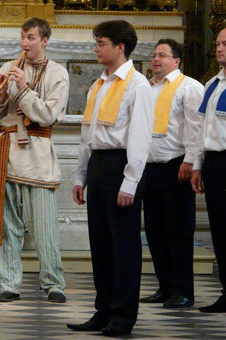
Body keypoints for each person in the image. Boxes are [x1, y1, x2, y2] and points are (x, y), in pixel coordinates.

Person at [68, 20, 153, 337]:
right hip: (99, 165)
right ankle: (103, 310)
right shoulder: (98, 85)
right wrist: (81, 176)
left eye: (101, 42)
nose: (95, 48)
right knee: (101, 245)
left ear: (120, 47)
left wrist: (130, 182)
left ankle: (123, 314)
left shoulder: (137, 85)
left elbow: (141, 138)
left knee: (124, 246)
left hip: (121, 165)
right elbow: (87, 136)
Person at [0, 17, 69, 304]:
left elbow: (47, 115)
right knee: (6, 225)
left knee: (45, 227)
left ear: (45, 41)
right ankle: (9, 283)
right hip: (6, 154)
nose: (25, 43)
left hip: (37, 156)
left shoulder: (58, 72)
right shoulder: (8, 68)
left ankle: (54, 283)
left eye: (31, 37)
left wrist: (21, 90)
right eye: (23, 37)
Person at [140, 39, 203, 309]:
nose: (156, 60)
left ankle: (183, 290)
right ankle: (165, 286)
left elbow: (196, 127)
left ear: (176, 61)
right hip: (150, 167)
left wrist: (191, 160)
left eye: (162, 56)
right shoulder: (148, 88)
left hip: (177, 166)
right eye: (154, 55)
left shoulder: (189, 87)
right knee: (155, 230)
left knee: (178, 230)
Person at [191, 27, 226, 314]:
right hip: (214, 163)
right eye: (217, 43)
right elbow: (201, 129)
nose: (218, 48)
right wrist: (197, 165)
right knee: (221, 232)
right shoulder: (211, 84)